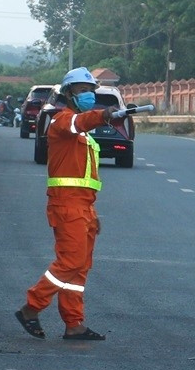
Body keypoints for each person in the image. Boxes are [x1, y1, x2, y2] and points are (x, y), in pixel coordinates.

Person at [15, 67, 130, 341]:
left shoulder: (82, 135)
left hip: (83, 206)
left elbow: (83, 178)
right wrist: (103, 115)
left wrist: (93, 211)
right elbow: (80, 122)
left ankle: (74, 323)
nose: (88, 95)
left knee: (80, 267)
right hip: (66, 206)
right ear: (68, 94)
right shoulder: (62, 122)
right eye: (82, 91)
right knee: (70, 263)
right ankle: (31, 307)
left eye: (91, 91)